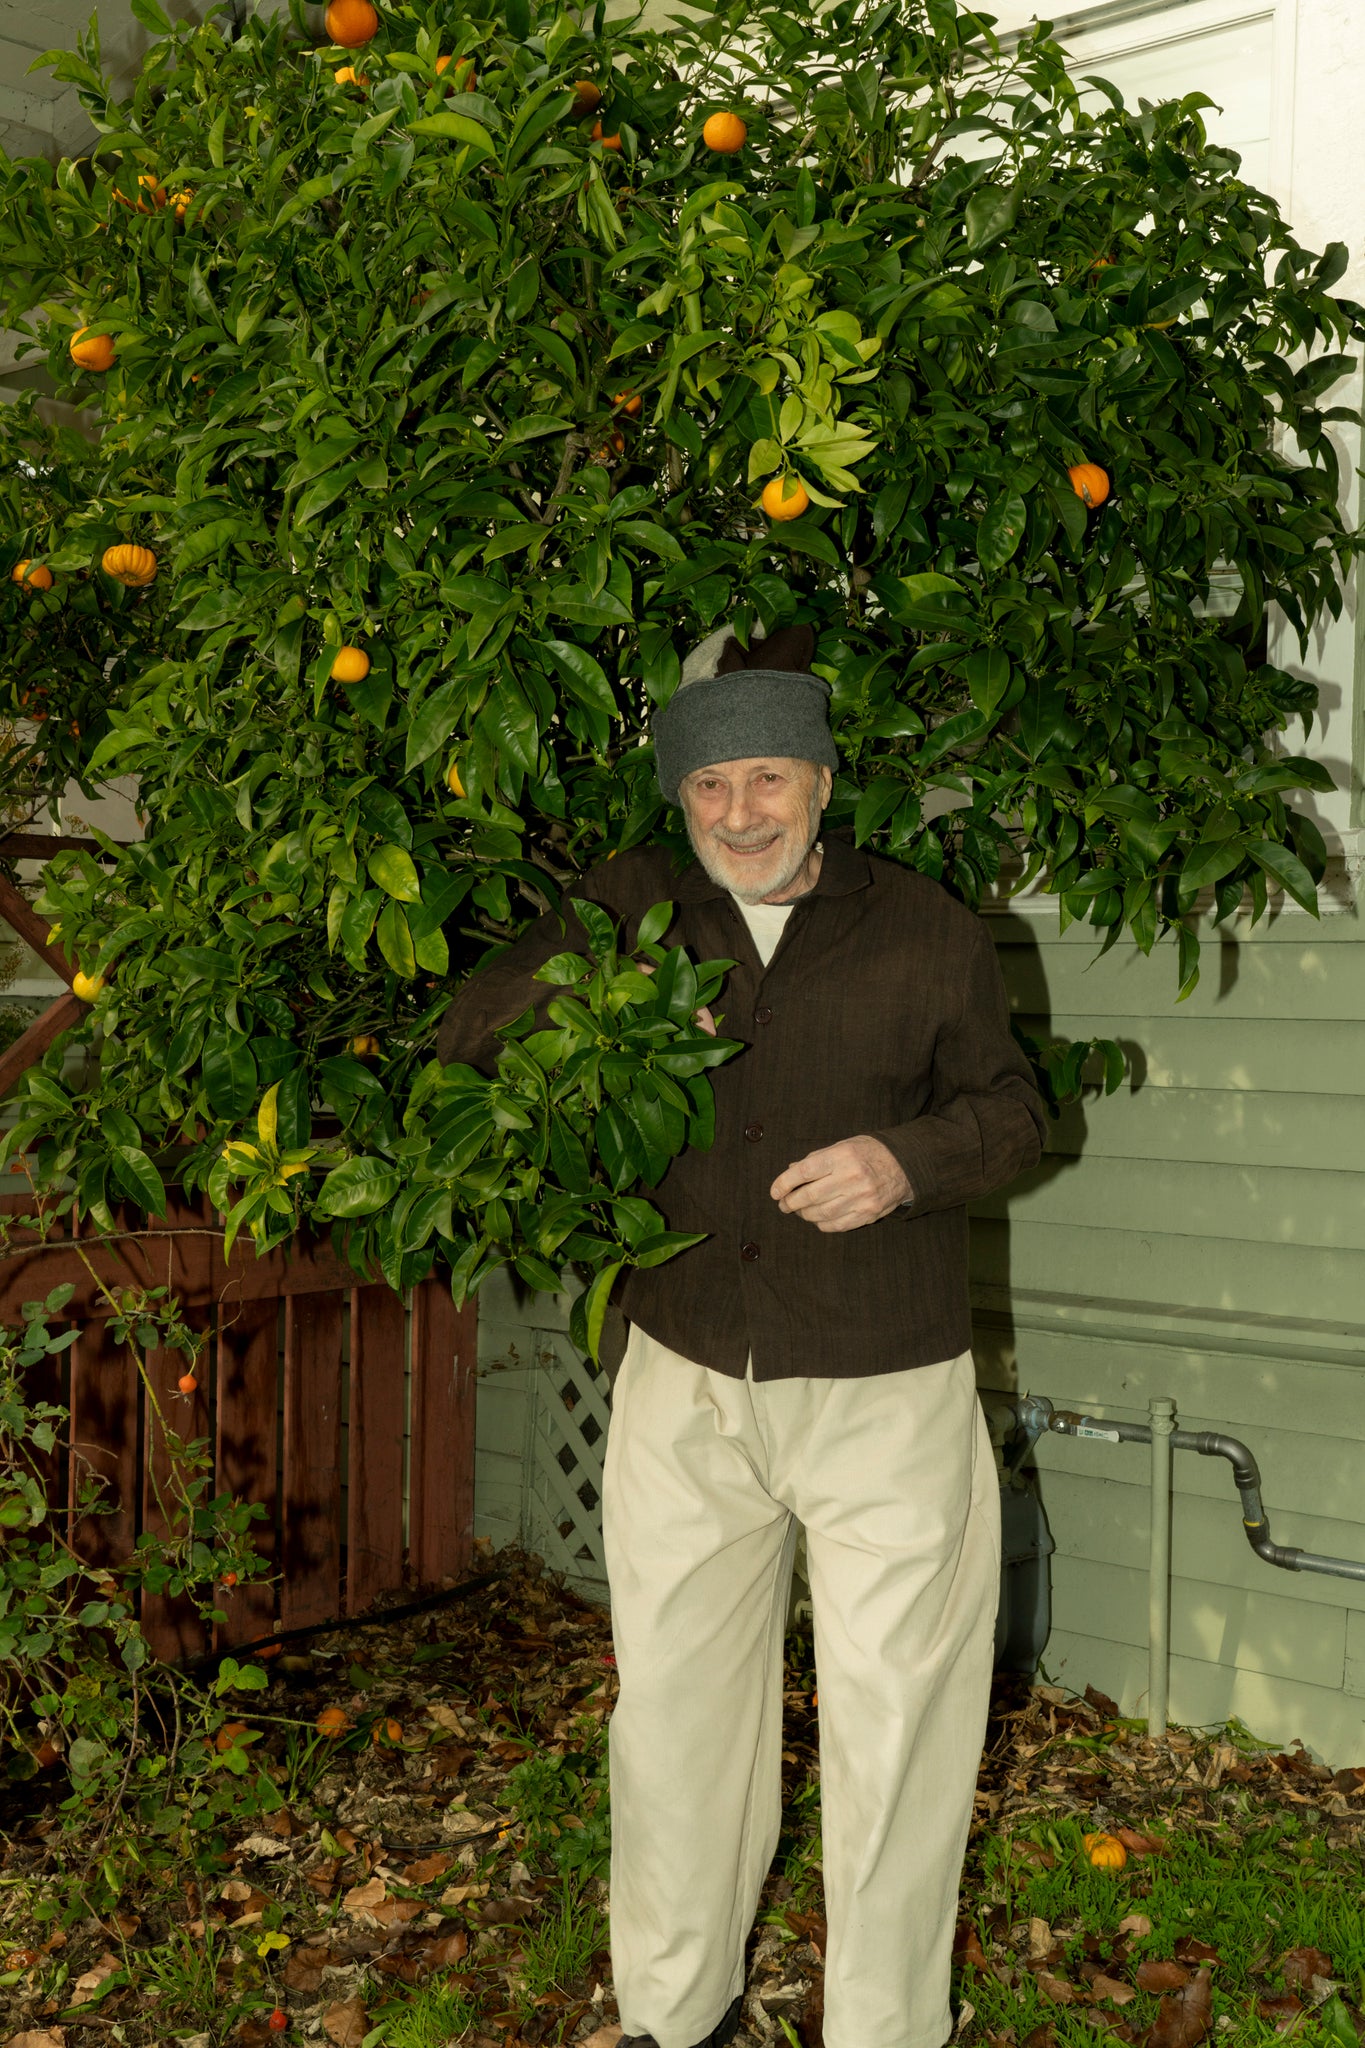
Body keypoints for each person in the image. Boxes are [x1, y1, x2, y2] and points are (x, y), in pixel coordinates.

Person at [436, 620, 1048, 2048]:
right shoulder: (634, 901)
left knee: (898, 1730)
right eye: (709, 789)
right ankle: (673, 2014)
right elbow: (471, 1034)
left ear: (822, 781)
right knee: (670, 1720)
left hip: (884, 1380)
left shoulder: (926, 930)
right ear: (679, 796)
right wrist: (600, 967)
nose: (738, 816)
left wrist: (906, 1161)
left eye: (765, 779)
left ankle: (883, 2031)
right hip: (689, 1372)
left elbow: (1016, 1111)